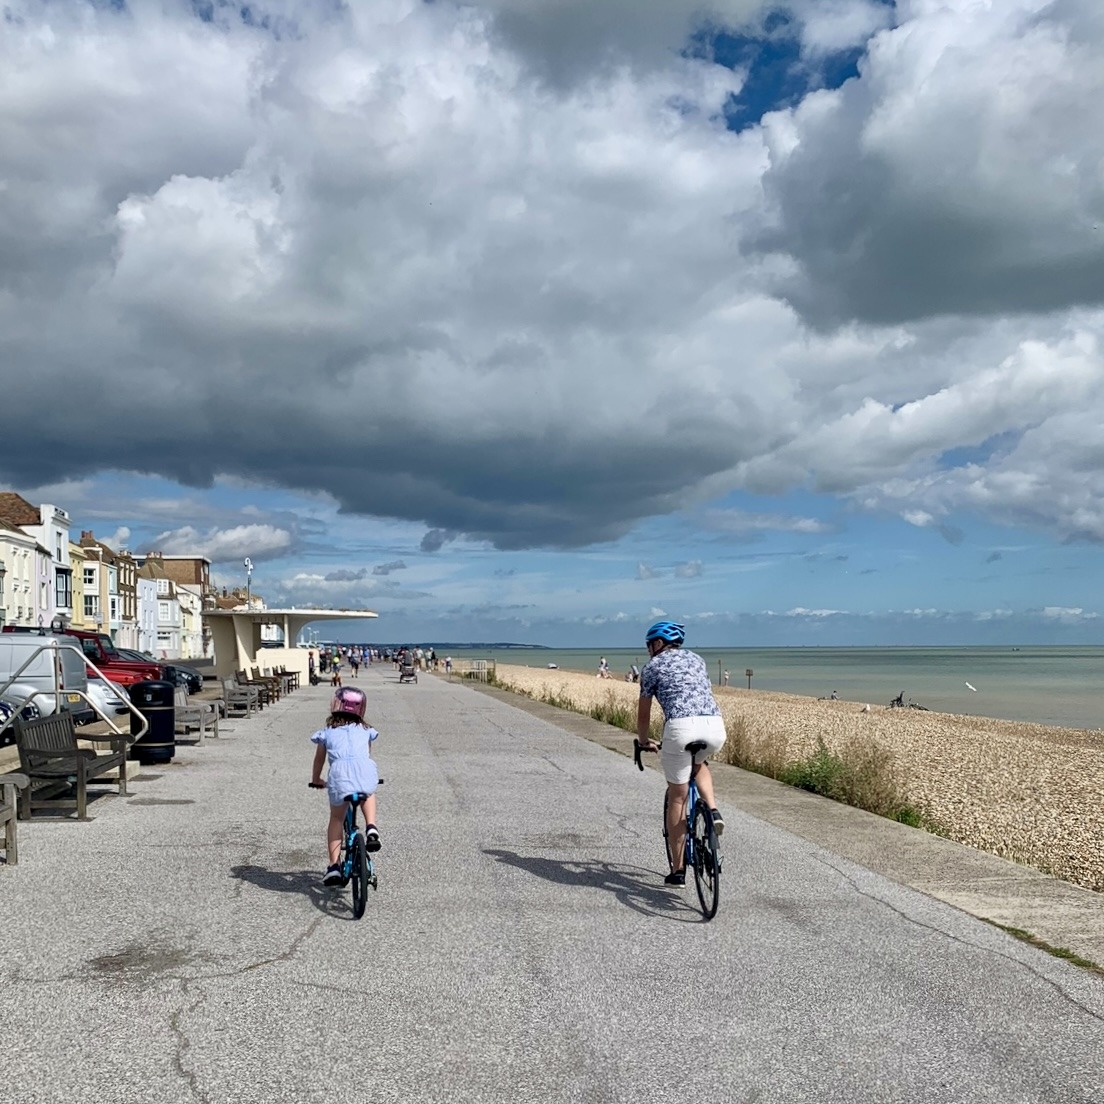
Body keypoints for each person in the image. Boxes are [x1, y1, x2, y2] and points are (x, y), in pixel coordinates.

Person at [636, 621, 726, 887]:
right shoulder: (697, 659)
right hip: (714, 726)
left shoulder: (651, 668)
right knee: (699, 763)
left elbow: (644, 715)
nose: (649, 650)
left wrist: (643, 741)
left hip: (680, 727)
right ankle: (713, 811)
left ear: (659, 643)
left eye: (650, 644)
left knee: (677, 797)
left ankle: (678, 870)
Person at [309, 686, 382, 886]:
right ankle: (371, 827)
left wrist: (317, 780)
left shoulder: (327, 732)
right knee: (369, 791)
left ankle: (334, 866)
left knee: (336, 819)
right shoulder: (365, 730)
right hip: (365, 772)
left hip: (339, 778)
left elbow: (319, 760)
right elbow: (365, 755)